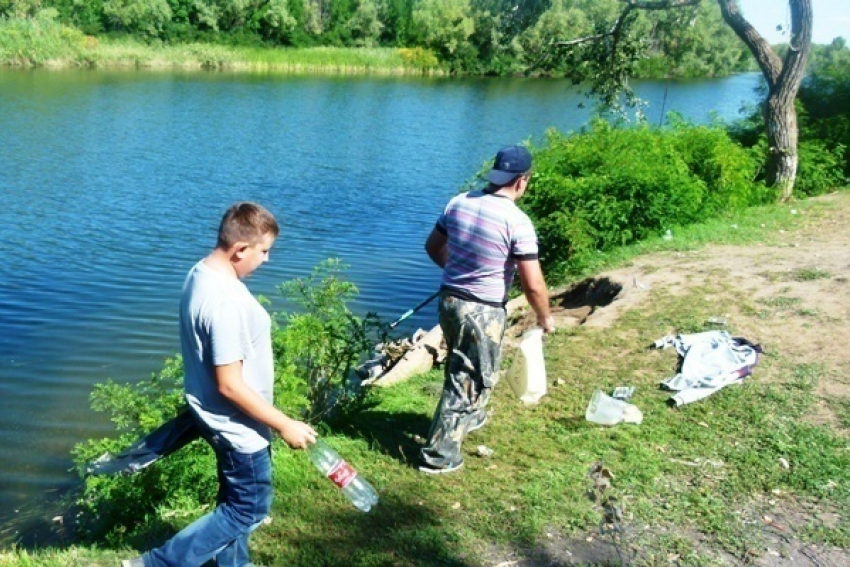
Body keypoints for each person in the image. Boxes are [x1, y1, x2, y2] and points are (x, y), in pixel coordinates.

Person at [123, 202, 317, 567]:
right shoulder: (225, 303)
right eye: (264, 251)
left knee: (233, 502)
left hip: (212, 416)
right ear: (240, 249)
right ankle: (153, 564)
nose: (267, 260)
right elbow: (230, 385)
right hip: (238, 428)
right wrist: (284, 423)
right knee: (248, 510)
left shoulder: (201, 273)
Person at [419, 145, 555, 475]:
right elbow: (533, 284)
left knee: (473, 368)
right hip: (482, 310)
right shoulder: (518, 222)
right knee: (466, 377)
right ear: (522, 181)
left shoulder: (459, 202)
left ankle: (471, 417)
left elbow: (432, 247)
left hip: (449, 300)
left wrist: (455, 273)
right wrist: (545, 317)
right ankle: (438, 455)